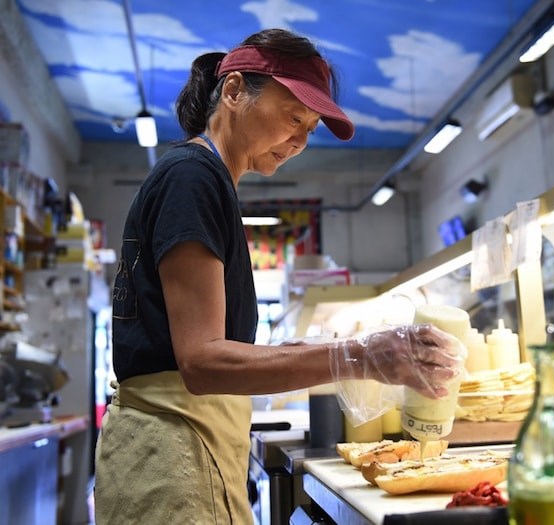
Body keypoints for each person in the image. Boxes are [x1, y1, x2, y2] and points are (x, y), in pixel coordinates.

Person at [94, 28, 463, 524]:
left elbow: (222, 351)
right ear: (233, 92)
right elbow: (202, 361)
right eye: (293, 118)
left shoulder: (208, 182)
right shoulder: (192, 177)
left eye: (310, 128)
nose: (300, 141)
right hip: (172, 457)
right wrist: (358, 355)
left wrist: (363, 353)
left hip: (187, 449)